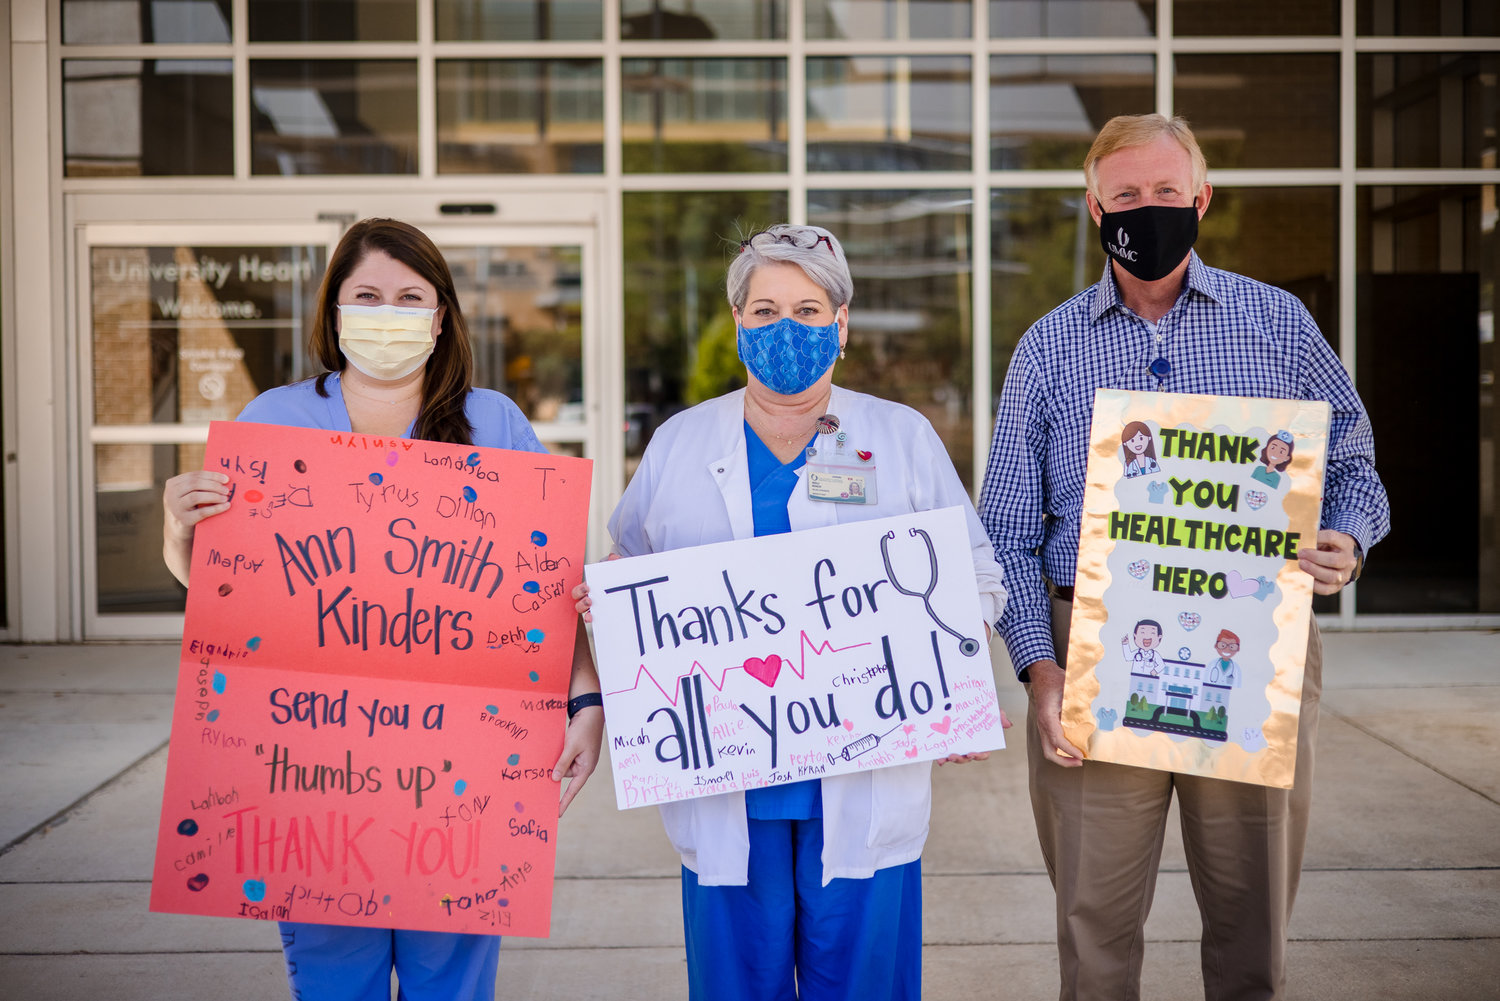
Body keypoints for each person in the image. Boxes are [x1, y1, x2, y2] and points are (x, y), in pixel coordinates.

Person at [978, 115, 1390, 1001]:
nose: (1149, 209)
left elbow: (1353, 462)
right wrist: (1038, 669)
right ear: (1094, 208)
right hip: (1088, 650)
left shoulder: (1276, 323)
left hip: (1252, 643)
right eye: (1126, 195)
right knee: (1094, 923)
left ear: (1201, 198)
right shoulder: (1049, 347)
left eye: (1167, 192)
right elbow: (1004, 528)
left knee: (1251, 919)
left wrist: (1346, 541)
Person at [160, 218, 604, 1001]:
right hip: (312, 771)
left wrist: (587, 700)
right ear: (335, 312)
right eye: (367, 295)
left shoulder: (495, 424)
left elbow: (551, 591)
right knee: (336, 981)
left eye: (409, 297)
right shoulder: (271, 423)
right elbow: (219, 590)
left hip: (464, 777)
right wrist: (177, 525)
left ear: (439, 319)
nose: (387, 313)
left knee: (452, 982)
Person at [574, 224, 1007, 1001]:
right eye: (765, 308)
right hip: (722, 778)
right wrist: (608, 599)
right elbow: (630, 569)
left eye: (809, 310)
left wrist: (949, 677)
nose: (787, 328)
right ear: (738, 322)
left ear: (842, 325)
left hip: (868, 769)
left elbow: (975, 572)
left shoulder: (899, 438)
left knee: (865, 985)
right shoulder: (680, 443)